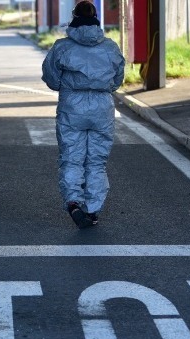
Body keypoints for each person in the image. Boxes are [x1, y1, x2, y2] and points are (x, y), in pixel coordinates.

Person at [41, 0, 125, 229]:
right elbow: (117, 80)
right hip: (101, 106)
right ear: (96, 18)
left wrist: (66, 87)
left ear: (74, 18)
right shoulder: (110, 47)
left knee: (72, 157)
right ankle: (93, 210)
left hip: (72, 106)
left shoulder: (62, 47)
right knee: (96, 162)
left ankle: (74, 203)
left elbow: (51, 78)